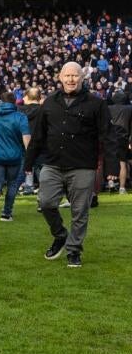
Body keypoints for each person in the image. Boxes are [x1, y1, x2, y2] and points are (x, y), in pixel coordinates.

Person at [25, 62, 119, 268]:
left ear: (82, 78)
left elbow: (109, 137)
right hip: (53, 164)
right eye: (67, 75)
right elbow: (38, 136)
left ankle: (74, 250)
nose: (70, 79)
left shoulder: (97, 103)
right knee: (46, 203)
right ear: (60, 77)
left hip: (82, 166)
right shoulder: (49, 103)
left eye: (74, 76)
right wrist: (28, 162)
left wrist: (112, 169)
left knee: (80, 212)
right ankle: (60, 235)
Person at [0, 91, 30, 222]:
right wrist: (29, 155)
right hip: (14, 156)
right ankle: (6, 213)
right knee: (12, 184)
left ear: (1, 101)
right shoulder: (20, 117)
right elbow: (26, 138)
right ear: (14, 102)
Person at [17, 87, 44, 195]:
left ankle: (25, 186)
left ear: (26, 96)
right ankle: (42, 189)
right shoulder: (43, 110)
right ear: (40, 97)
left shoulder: (19, 111)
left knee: (24, 166)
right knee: (39, 167)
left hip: (22, 141)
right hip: (39, 142)